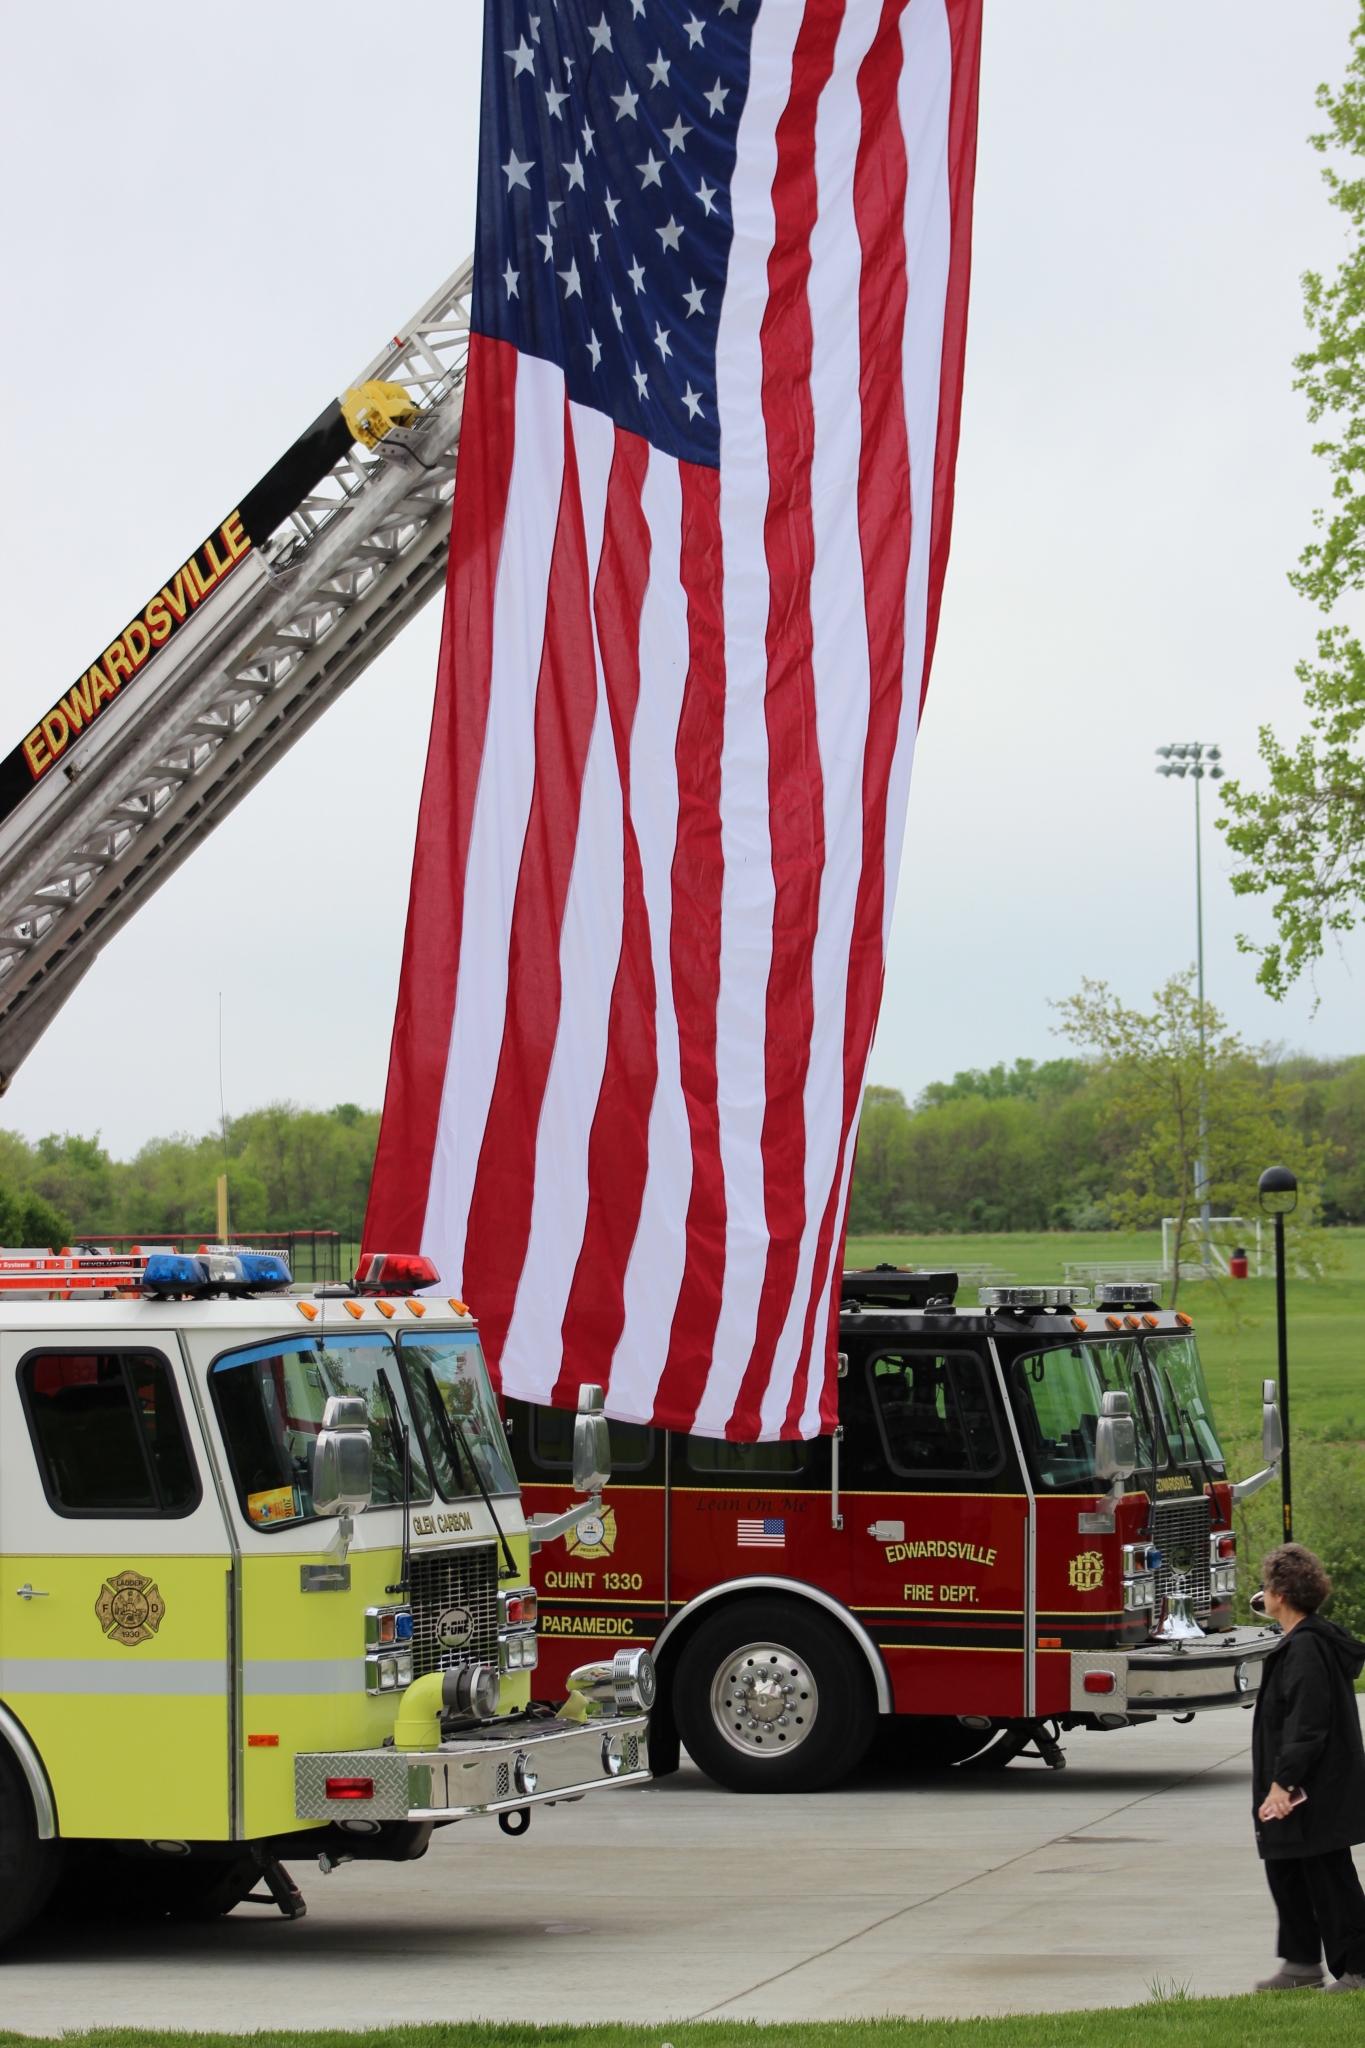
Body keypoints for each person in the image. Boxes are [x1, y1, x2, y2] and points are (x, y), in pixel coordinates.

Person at [1251, 1542, 1365, 1993]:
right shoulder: (1300, 1640)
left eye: (1266, 1586)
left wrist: (1283, 1783)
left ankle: (1359, 1968)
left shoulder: (1306, 1650)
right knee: (1286, 1866)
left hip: (1314, 1787)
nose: (1262, 1594)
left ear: (1281, 1592)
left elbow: (1308, 1724)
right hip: (1297, 1786)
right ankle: (1300, 1963)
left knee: (1328, 1875)